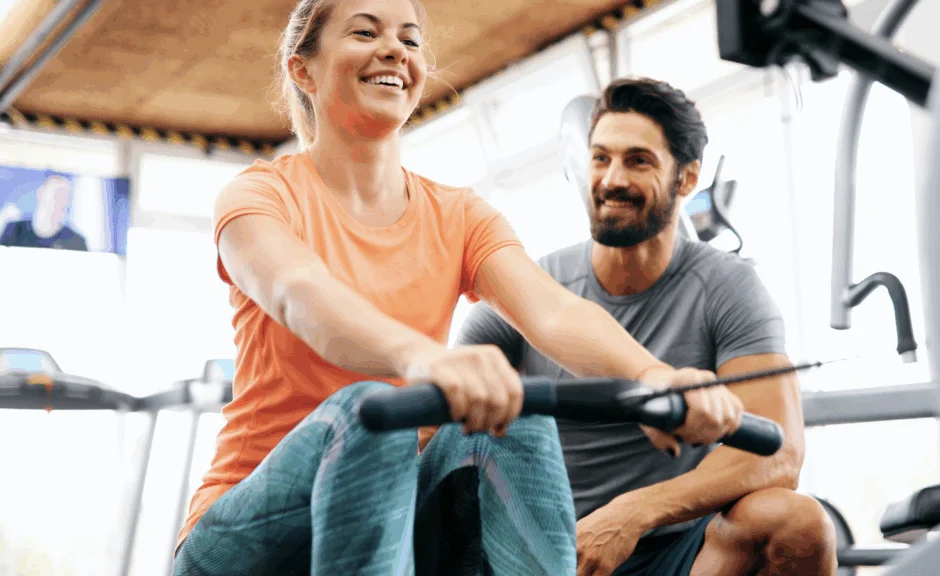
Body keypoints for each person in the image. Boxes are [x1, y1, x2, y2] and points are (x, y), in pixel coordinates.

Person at [173, 1, 750, 574]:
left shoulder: (459, 214)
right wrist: (423, 359)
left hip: (396, 519)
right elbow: (299, 293)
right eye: (365, 32)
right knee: (373, 408)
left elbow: (551, 312)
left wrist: (655, 377)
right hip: (242, 539)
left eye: (411, 38)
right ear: (304, 70)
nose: (396, 49)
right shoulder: (259, 196)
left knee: (513, 410)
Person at [457, 77, 839, 576]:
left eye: (638, 160)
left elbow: (781, 453)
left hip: (678, 551)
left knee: (796, 522)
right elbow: (436, 432)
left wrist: (633, 513)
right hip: (552, 554)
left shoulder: (728, 288)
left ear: (686, 178)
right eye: (600, 158)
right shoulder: (531, 290)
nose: (612, 179)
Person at [0, 176, 88, 251]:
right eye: (57, 193)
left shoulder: (75, 241)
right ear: (40, 193)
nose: (60, 200)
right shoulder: (14, 230)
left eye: (66, 195)